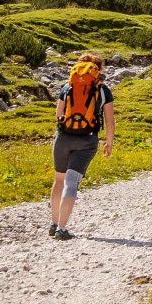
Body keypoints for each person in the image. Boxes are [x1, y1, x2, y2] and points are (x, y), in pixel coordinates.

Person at [49, 51, 115, 240]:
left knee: (59, 180)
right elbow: (109, 121)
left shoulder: (67, 86)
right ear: (98, 69)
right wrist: (108, 142)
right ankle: (62, 228)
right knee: (72, 182)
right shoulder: (103, 89)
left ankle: (53, 224)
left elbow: (58, 113)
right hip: (87, 140)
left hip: (63, 137)